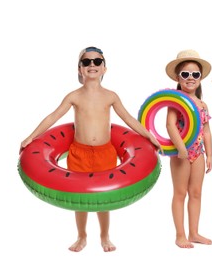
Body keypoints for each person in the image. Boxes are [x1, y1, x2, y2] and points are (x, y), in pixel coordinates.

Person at [20, 46, 160, 252]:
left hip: (105, 151)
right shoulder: (74, 96)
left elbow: (129, 118)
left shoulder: (111, 96)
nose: (92, 65)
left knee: (103, 198)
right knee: (80, 197)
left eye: (97, 62)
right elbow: (53, 116)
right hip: (79, 152)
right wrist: (31, 136)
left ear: (104, 69)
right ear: (80, 69)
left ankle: (104, 236)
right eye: (86, 62)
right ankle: (82, 236)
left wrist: (150, 136)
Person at [164, 50, 212, 248]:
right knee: (180, 193)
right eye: (185, 74)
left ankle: (194, 232)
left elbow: (207, 131)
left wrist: (210, 154)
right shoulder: (176, 100)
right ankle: (180, 235)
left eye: (195, 74)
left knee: (196, 193)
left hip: (198, 153)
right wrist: (180, 148)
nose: (190, 78)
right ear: (178, 77)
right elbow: (169, 125)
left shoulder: (202, 104)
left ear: (200, 78)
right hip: (180, 153)